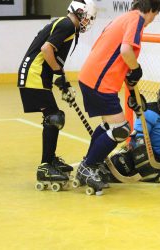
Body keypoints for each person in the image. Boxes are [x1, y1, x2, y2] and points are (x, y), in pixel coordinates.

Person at [75, 0, 160, 195]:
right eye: (154, 16)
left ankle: (88, 164)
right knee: (121, 129)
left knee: (109, 126)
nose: (151, 21)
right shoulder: (137, 20)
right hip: (100, 82)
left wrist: (132, 93)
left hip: (91, 77)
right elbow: (125, 51)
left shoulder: (122, 18)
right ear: (150, 10)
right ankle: (88, 167)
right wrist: (136, 68)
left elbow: (118, 60)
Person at [17, 0, 97, 190]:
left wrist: (62, 82)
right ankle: (45, 166)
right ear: (80, 12)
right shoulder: (68, 25)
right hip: (33, 75)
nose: (88, 21)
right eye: (87, 17)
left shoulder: (65, 24)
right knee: (54, 117)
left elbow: (50, 57)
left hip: (38, 75)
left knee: (53, 116)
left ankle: (50, 160)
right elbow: (46, 50)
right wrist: (59, 76)